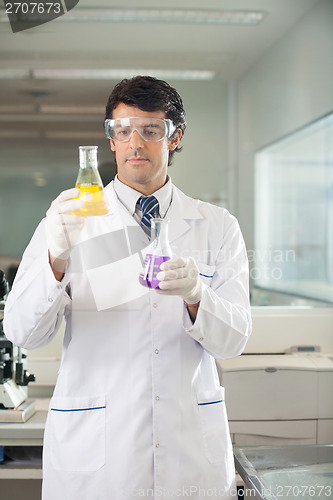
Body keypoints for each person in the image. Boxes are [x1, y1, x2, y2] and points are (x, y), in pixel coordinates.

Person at [4, 76, 252, 500]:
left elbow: (233, 342)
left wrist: (197, 297)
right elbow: (23, 332)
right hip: (99, 456)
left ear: (174, 138)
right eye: (123, 131)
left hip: (188, 451)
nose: (136, 143)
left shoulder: (216, 226)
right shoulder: (67, 220)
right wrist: (56, 260)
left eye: (151, 130)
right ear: (111, 140)